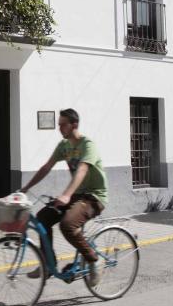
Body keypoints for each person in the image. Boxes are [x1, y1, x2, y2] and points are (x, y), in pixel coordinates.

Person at [19, 108, 108, 284]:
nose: (59, 128)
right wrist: (25, 188)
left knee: (67, 224)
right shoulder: (64, 146)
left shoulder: (87, 145)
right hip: (77, 196)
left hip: (94, 197)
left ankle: (94, 260)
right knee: (43, 217)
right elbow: (46, 167)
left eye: (62, 125)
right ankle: (47, 263)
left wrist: (66, 195)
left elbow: (82, 169)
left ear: (74, 124)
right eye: (58, 125)